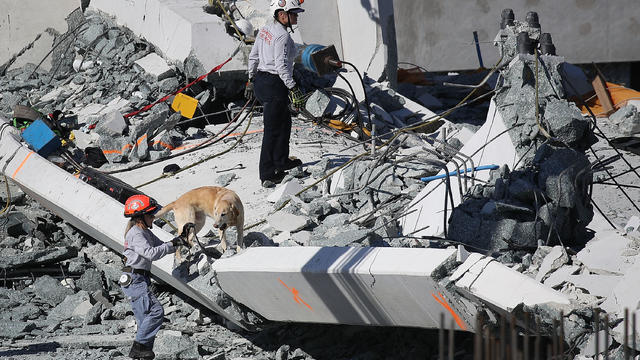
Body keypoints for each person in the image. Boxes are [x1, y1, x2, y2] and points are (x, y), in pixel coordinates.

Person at [120, 194, 194, 359]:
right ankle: (138, 349)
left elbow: (161, 245)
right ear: (141, 216)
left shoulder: (144, 231)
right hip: (134, 279)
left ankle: (143, 354)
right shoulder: (136, 233)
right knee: (156, 312)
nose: (153, 217)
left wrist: (179, 239)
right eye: (151, 215)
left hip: (140, 279)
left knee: (144, 320)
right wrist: (173, 245)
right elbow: (150, 254)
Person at [246, 0, 306, 188]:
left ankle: (281, 161)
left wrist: (250, 77)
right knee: (272, 130)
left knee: (284, 122)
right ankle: (267, 174)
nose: (297, 16)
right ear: (282, 15)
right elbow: (281, 66)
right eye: (293, 13)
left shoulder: (265, 30)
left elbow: (253, 56)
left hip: (262, 81)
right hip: (274, 84)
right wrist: (293, 86)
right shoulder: (282, 37)